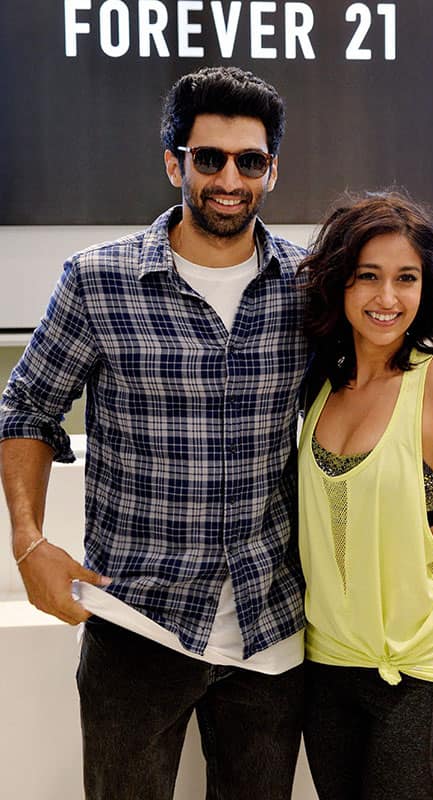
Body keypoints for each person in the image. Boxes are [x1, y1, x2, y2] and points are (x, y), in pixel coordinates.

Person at [0, 66, 309, 800]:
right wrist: (29, 541)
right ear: (175, 163)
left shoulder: (309, 284)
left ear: (272, 168)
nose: (229, 178)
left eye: (250, 160)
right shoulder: (96, 281)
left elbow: (378, 393)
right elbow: (27, 410)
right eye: (209, 159)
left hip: (274, 631)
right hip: (136, 627)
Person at [297, 191, 433, 800]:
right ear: (340, 283)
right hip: (327, 674)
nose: (387, 299)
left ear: (425, 287)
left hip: (423, 678)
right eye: (368, 277)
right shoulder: (317, 386)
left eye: (405, 279)